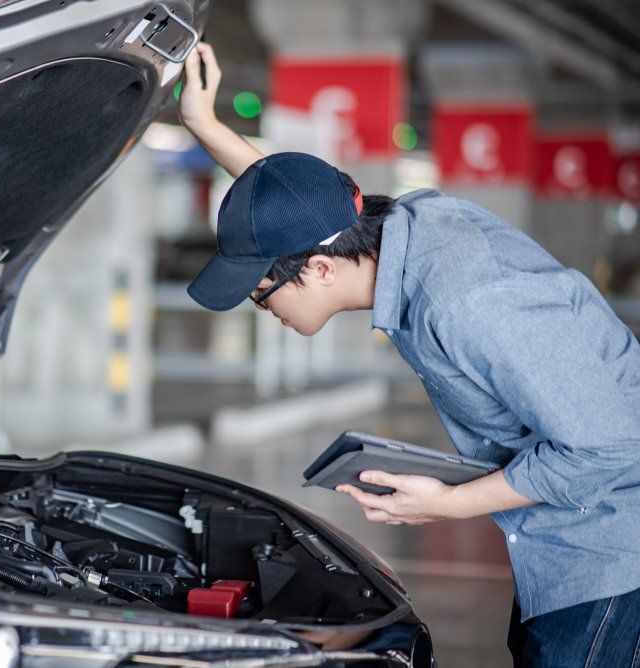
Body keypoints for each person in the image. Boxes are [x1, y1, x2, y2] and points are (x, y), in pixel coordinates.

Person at [178, 43, 640, 667]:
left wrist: (444, 505)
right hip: (558, 544)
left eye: (261, 293)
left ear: (319, 270)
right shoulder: (401, 224)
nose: (260, 308)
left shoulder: (467, 301)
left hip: (607, 549)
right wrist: (204, 125)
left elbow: (607, 447)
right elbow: (295, 206)